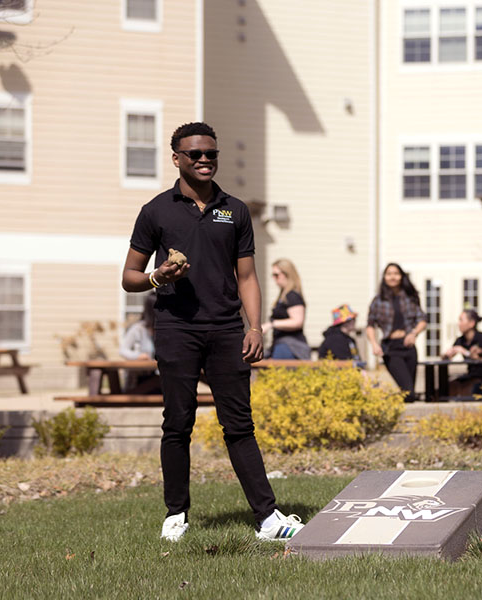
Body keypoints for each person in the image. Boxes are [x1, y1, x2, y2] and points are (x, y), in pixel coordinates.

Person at [121, 121, 303, 543]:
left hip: (225, 330)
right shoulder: (156, 211)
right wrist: (157, 277)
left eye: (211, 154)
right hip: (176, 328)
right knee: (177, 423)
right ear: (177, 159)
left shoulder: (234, 210)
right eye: (195, 154)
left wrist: (253, 326)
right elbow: (129, 276)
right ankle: (175, 515)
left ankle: (268, 519)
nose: (205, 160)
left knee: (239, 424)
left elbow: (247, 276)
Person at [366, 263, 427, 402]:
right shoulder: (378, 300)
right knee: (408, 392)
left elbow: (422, 319)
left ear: (401, 276)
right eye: (389, 274)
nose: (392, 277)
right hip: (391, 348)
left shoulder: (410, 297)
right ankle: (387, 400)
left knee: (409, 393)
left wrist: (414, 333)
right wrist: (374, 344)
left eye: (396, 273)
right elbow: (370, 325)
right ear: (384, 277)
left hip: (409, 347)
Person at [261, 258, 310, 359]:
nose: (274, 278)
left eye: (276, 275)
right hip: (281, 345)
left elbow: (297, 321)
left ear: (287, 274)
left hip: (290, 347)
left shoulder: (292, 296)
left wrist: (271, 324)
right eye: (273, 275)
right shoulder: (284, 295)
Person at [443, 309, 482, 396]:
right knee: (448, 386)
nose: (458, 324)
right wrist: (447, 354)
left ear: (472, 323)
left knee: (467, 386)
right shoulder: (461, 340)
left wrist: (465, 352)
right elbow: (446, 357)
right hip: (471, 375)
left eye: (461, 320)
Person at [118, 292, 160, 394]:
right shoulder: (138, 329)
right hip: (140, 377)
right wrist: (138, 356)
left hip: (161, 377)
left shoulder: (166, 330)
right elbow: (123, 350)